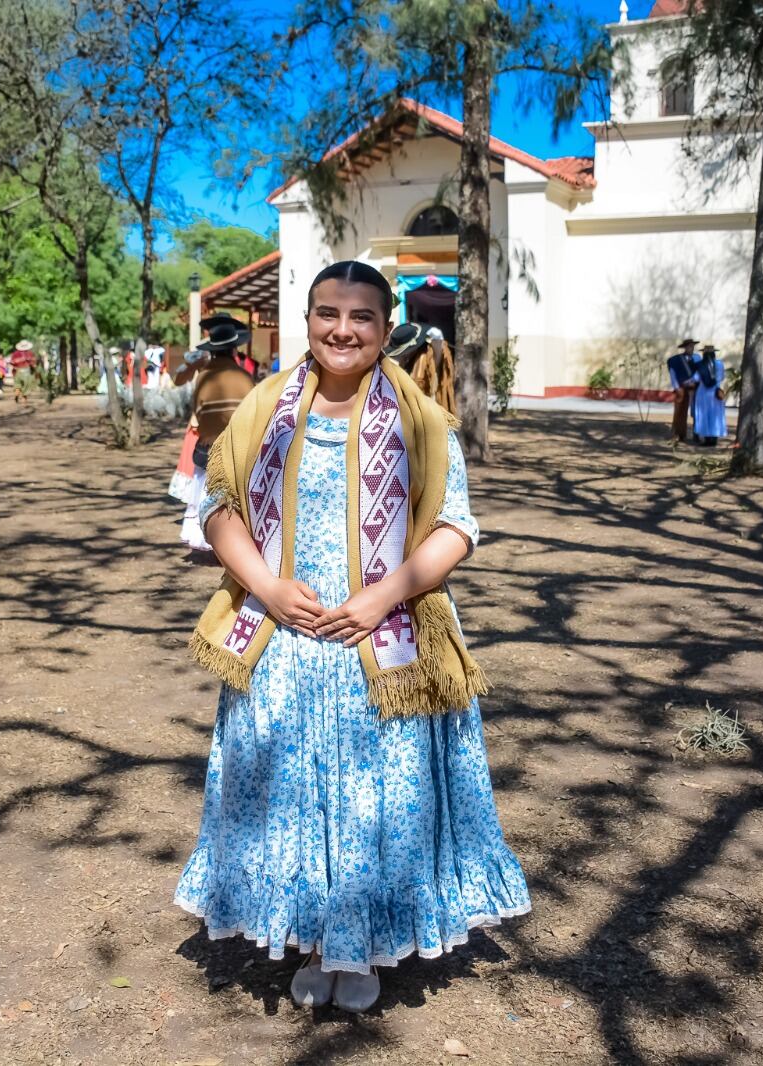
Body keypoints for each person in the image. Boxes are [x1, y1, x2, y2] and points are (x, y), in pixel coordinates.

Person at [177, 260, 529, 1014]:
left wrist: (383, 595)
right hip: (287, 638)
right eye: (328, 313)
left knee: (378, 796)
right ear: (307, 321)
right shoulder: (262, 408)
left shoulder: (420, 420)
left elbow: (456, 528)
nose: (343, 329)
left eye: (362, 316)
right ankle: (309, 938)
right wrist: (268, 588)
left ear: (384, 325)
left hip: (387, 637)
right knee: (291, 789)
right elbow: (217, 507)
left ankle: (363, 943)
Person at [177, 316, 256, 552]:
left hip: (206, 449)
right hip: (237, 451)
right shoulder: (244, 378)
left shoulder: (202, 378)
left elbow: (197, 412)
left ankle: (207, 539)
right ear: (234, 349)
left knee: (206, 496)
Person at [691, 344, 727, 446]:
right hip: (716, 393)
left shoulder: (700, 364)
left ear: (704, 354)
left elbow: (696, 378)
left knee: (704, 415)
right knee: (715, 415)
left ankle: (707, 439)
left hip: (703, 393)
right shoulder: (719, 364)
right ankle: (714, 439)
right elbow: (722, 377)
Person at [666, 339, 700, 444]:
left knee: (696, 412)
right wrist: (677, 388)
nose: (691, 348)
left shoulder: (697, 358)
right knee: (680, 412)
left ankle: (696, 434)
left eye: (693, 346)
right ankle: (678, 434)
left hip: (694, 387)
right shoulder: (675, 360)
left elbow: (700, 372)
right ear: (685, 347)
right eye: (689, 346)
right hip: (681, 388)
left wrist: (693, 381)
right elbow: (673, 374)